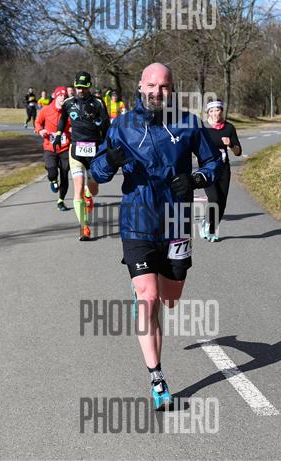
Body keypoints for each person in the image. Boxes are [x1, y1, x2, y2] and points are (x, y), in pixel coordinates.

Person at [91, 63, 221, 409]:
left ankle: (148, 292)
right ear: (140, 86)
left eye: (163, 86)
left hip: (176, 222)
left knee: (169, 299)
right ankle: (157, 378)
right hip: (137, 221)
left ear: (172, 89)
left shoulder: (188, 123)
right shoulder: (122, 126)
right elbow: (97, 173)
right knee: (148, 299)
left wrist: (195, 179)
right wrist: (110, 161)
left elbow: (214, 163)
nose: (156, 92)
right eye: (151, 85)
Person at [57, 71, 110, 240]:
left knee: (93, 190)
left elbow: (106, 127)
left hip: (94, 152)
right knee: (77, 188)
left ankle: (89, 194)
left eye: (84, 87)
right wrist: (58, 133)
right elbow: (63, 119)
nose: (80, 90)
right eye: (78, 87)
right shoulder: (68, 103)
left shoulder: (98, 103)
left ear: (89, 87)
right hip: (76, 152)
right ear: (74, 86)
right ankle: (84, 227)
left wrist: (108, 146)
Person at [200, 100, 242, 242]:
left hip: (223, 168)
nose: (215, 113)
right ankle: (208, 226)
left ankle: (211, 228)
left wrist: (230, 145)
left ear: (222, 111)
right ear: (208, 113)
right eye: (211, 111)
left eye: (217, 110)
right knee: (214, 198)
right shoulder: (203, 128)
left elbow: (238, 152)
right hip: (207, 168)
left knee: (222, 202)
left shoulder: (229, 128)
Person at [35, 86, 71, 211]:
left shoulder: (68, 111)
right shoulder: (46, 110)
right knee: (52, 173)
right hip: (50, 148)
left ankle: (61, 201)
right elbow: (38, 122)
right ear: (55, 97)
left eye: (65, 96)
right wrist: (40, 130)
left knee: (65, 175)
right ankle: (53, 179)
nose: (63, 98)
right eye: (60, 96)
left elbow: (74, 124)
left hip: (65, 148)